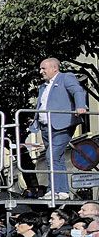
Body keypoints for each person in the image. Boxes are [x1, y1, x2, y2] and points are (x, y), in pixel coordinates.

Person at [30, 58, 89, 200]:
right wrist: (35, 120)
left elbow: (77, 91)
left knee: (52, 155)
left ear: (54, 68)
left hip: (62, 125)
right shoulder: (43, 86)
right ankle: (60, 191)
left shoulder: (65, 78)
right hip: (46, 127)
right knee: (57, 158)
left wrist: (80, 106)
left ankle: (56, 190)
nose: (41, 71)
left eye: (43, 68)